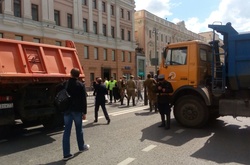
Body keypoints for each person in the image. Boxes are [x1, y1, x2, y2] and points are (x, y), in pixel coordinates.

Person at [62, 68, 89, 161]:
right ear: (78, 75)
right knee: (79, 129)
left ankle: (66, 154)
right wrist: (84, 112)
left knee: (67, 132)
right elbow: (83, 100)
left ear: (70, 74)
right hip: (77, 110)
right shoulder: (80, 85)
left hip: (67, 110)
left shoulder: (65, 83)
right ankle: (81, 147)